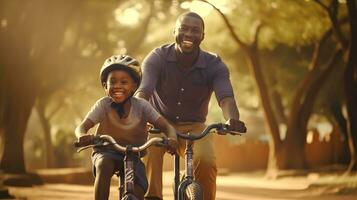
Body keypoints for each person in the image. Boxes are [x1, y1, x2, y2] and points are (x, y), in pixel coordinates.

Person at [135, 12, 247, 200]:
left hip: (195, 128)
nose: (188, 34)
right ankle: (151, 197)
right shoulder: (158, 57)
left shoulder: (215, 65)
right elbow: (143, 92)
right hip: (159, 123)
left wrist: (232, 120)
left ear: (203, 36)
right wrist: (139, 116)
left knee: (206, 160)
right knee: (151, 150)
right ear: (174, 31)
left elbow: (226, 98)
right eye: (183, 28)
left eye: (195, 30)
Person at [75, 55, 178, 200]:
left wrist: (171, 137)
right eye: (113, 81)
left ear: (134, 86)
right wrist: (82, 135)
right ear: (105, 85)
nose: (118, 86)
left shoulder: (142, 106)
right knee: (104, 165)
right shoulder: (103, 105)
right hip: (106, 150)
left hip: (133, 154)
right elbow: (82, 126)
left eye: (124, 82)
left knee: (138, 190)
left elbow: (166, 126)